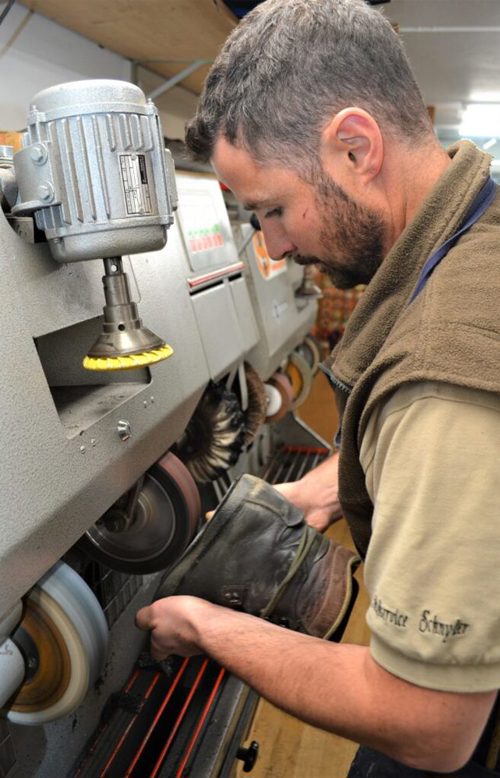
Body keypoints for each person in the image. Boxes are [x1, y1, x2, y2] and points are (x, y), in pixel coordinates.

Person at [136, 0, 500, 773]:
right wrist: (328, 490)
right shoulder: (480, 230)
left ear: (355, 148)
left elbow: (427, 723)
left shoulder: (441, 374)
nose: (273, 243)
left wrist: (207, 627)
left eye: (272, 207)